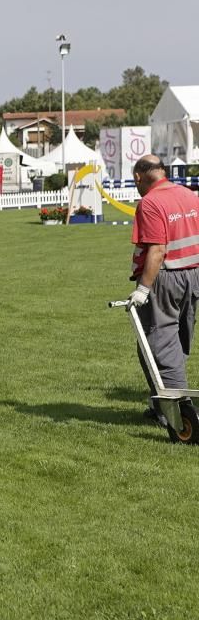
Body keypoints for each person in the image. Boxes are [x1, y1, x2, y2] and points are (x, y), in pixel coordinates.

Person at [127, 155, 199, 423]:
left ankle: (180, 415)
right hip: (192, 275)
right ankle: (161, 405)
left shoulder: (150, 202)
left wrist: (143, 289)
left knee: (159, 342)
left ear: (138, 177)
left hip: (166, 278)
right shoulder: (189, 195)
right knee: (175, 340)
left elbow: (157, 250)